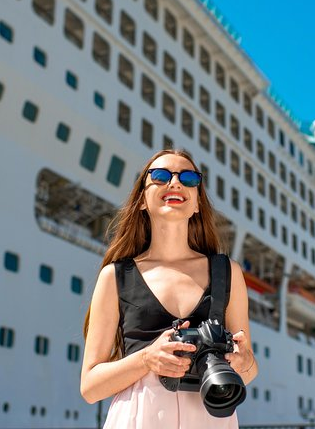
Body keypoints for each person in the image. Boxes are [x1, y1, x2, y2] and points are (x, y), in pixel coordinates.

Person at [81, 149, 258, 428]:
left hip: (209, 417)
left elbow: (248, 370)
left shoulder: (228, 272)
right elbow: (90, 387)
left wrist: (243, 361)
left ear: (197, 203)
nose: (175, 183)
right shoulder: (115, 276)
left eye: (188, 178)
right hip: (138, 418)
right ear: (141, 200)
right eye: (161, 176)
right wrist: (147, 359)